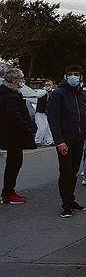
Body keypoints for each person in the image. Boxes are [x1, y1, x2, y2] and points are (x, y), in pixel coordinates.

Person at [47, 65, 86, 218]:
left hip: (79, 139)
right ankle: (66, 204)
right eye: (70, 74)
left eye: (76, 74)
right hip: (65, 140)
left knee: (73, 171)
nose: (73, 76)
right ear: (65, 76)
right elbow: (53, 119)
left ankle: (71, 200)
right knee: (65, 172)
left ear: (81, 77)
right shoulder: (58, 94)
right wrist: (59, 141)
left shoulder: (82, 94)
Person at [0, 68, 36, 204]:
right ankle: (8, 192)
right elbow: (14, 116)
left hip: (11, 134)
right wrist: (27, 128)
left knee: (13, 162)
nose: (22, 81)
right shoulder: (10, 95)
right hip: (13, 135)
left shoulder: (8, 93)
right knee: (14, 163)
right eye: (20, 78)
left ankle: (9, 191)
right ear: (14, 80)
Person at [34, 80, 54, 146]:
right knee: (42, 127)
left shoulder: (52, 93)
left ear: (52, 85)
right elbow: (37, 95)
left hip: (47, 113)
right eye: (46, 85)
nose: (47, 86)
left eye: (49, 85)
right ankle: (37, 141)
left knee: (48, 127)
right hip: (40, 112)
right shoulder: (42, 92)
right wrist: (45, 91)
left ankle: (49, 141)